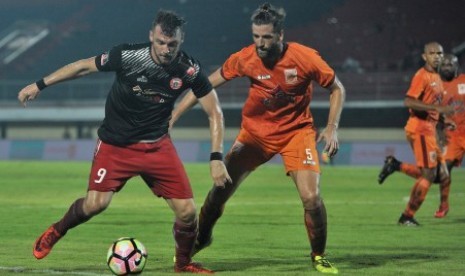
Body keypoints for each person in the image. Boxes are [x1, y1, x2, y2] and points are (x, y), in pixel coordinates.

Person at [17, 10, 231, 274]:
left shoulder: (188, 70)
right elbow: (84, 66)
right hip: (115, 146)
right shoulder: (128, 56)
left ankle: (183, 263)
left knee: (187, 212)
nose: (166, 49)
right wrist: (40, 84)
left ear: (181, 41)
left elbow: (215, 112)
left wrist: (216, 157)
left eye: (172, 44)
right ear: (151, 36)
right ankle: (57, 230)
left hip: (156, 146)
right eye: (161, 42)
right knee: (96, 204)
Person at [171, 3, 345, 274]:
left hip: (296, 133)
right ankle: (202, 238)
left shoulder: (304, 57)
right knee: (218, 193)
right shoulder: (245, 57)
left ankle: (318, 255)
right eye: (256, 36)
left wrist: (332, 126)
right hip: (254, 136)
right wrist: (174, 115)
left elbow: (337, 88)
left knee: (311, 198)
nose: (260, 43)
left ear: (280, 35)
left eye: (266, 37)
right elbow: (203, 85)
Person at [378, 54, 464, 219]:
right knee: (436, 175)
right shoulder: (432, 83)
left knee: (439, 175)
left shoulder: (459, 81)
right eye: (443, 63)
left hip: (440, 130)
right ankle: (412, 215)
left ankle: (396, 166)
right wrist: (440, 131)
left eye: (449, 64)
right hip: (444, 135)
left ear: (457, 66)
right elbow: (419, 106)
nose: (446, 66)